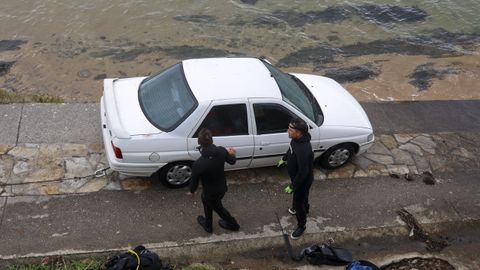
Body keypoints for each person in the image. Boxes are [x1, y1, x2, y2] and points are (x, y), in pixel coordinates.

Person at [187, 128, 240, 233]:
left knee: (219, 208)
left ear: (199, 142)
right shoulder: (221, 151)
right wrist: (233, 153)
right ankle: (208, 225)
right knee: (206, 201)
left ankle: (233, 225)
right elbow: (232, 161)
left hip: (210, 192)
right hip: (222, 188)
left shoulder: (198, 164)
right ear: (212, 140)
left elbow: (194, 182)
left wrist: (192, 191)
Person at [280, 118, 314, 239]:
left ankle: (301, 226)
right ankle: (306, 208)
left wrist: (293, 186)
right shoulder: (295, 140)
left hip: (302, 180)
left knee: (298, 202)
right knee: (303, 197)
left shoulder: (304, 149)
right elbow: (290, 149)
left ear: (298, 132)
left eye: (290, 129)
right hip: (297, 177)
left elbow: (303, 171)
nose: (287, 130)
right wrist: (284, 158)